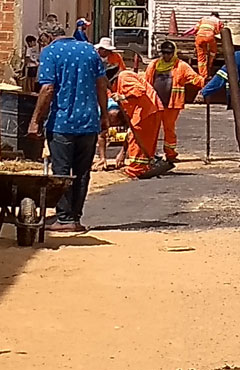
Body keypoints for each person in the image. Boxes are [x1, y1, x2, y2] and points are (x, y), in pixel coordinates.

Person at [27, 22, 108, 232]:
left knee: (62, 171)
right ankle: (76, 218)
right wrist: (104, 115)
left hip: (62, 123)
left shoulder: (50, 53)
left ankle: (64, 219)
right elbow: (102, 84)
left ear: (45, 36)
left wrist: (35, 120)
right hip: (89, 122)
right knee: (82, 173)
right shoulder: (90, 50)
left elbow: (47, 88)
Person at [144, 41, 204, 161]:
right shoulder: (154, 65)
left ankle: (170, 154)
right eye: (164, 53)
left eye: (169, 53)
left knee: (169, 129)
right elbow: (146, 82)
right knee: (152, 130)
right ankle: (150, 153)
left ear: (174, 53)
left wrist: (206, 83)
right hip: (155, 103)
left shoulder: (181, 66)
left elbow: (194, 78)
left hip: (172, 104)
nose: (166, 56)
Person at [109, 68, 164, 178]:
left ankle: (136, 169)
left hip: (146, 110)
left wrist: (122, 97)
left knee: (138, 139)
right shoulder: (122, 80)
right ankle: (145, 165)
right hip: (147, 110)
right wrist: (123, 153)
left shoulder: (124, 77)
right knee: (141, 139)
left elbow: (139, 90)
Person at [190, 12, 223, 78]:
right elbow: (219, 32)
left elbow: (196, 29)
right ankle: (209, 66)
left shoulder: (203, 19)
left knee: (201, 57)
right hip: (209, 37)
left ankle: (203, 75)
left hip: (200, 37)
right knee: (212, 52)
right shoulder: (218, 21)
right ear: (217, 16)